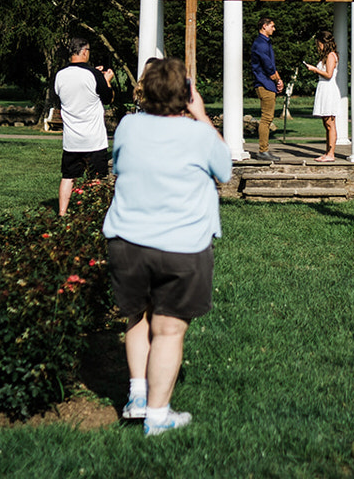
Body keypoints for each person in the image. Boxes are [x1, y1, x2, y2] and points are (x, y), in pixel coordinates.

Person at [103, 58, 232, 436]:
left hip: (128, 242)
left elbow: (118, 165)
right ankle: (158, 416)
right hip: (182, 247)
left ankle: (138, 396)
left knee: (137, 317)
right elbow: (225, 169)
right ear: (187, 94)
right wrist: (203, 115)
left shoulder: (127, 126)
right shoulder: (200, 135)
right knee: (169, 329)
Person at [54, 37, 115, 216]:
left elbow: (61, 99)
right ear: (84, 51)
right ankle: (92, 212)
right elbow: (108, 98)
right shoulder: (94, 75)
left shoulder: (60, 75)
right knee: (96, 178)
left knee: (68, 177)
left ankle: (62, 213)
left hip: (72, 139)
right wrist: (107, 80)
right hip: (94, 138)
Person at [248, 17, 283, 161]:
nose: (274, 29)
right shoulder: (261, 44)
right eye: (272, 26)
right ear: (264, 26)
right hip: (265, 84)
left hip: (268, 83)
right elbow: (268, 67)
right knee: (266, 118)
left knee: (267, 118)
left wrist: (279, 80)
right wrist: (277, 80)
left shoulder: (264, 43)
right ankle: (263, 151)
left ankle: (265, 150)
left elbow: (272, 66)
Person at [305, 30, 343, 162]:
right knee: (326, 123)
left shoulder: (331, 56)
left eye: (319, 43)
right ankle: (327, 152)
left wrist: (314, 69)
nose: (318, 46)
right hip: (323, 88)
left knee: (330, 123)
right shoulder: (326, 56)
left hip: (329, 89)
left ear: (323, 42)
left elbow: (329, 74)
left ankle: (331, 153)